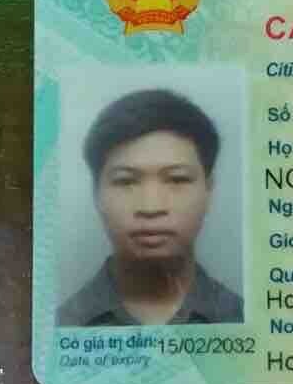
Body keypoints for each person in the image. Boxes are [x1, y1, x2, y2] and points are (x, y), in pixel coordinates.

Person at [58, 89, 243, 326]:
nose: (151, 207)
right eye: (125, 181)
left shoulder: (246, 322)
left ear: (208, 190)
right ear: (96, 193)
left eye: (177, 179)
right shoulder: (57, 328)